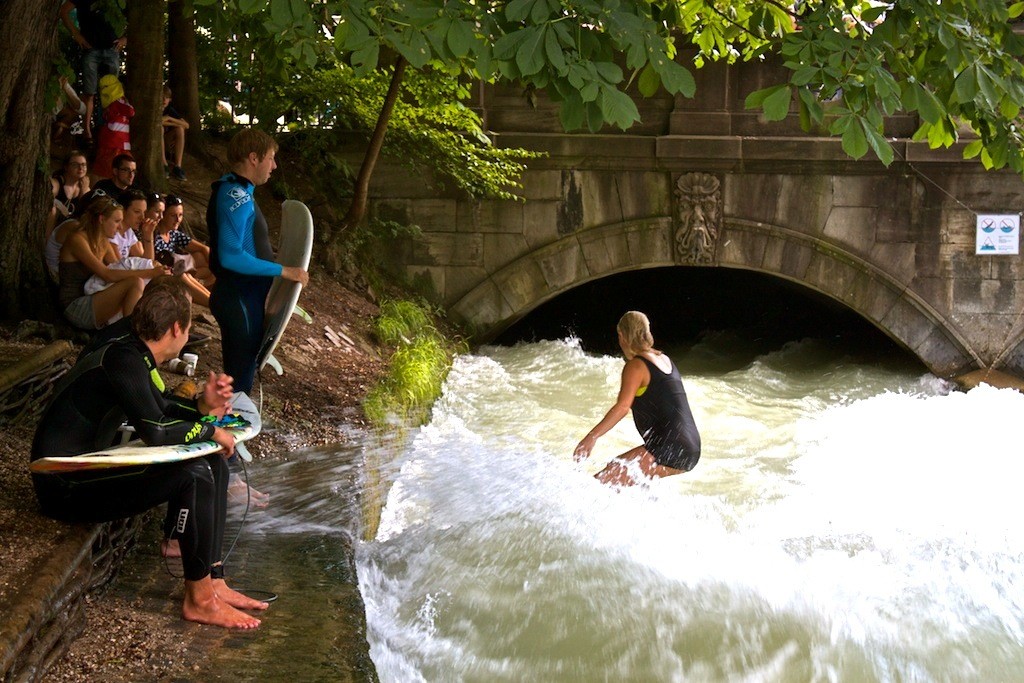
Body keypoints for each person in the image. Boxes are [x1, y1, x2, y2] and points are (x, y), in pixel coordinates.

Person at [31, 277, 267, 629]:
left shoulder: (134, 352)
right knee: (193, 475)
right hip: (63, 485)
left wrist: (203, 407)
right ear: (176, 328)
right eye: (188, 329)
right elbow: (154, 429)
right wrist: (210, 429)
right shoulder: (122, 357)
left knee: (211, 462)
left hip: (85, 470)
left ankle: (214, 581)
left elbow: (160, 407)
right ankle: (200, 600)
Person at [207, 128, 308, 394]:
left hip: (243, 297)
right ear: (254, 158)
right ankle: (229, 431)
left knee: (237, 378)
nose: (274, 166)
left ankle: (227, 429)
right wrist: (283, 271)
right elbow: (231, 256)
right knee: (239, 382)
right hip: (238, 297)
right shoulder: (236, 197)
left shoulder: (238, 191)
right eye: (271, 158)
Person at [573, 311, 701, 487]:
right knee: (619, 477)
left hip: (670, 446)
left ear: (623, 336)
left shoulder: (636, 366)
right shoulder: (664, 359)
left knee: (597, 486)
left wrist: (592, 437)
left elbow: (622, 407)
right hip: (690, 447)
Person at [57, 196, 167, 330]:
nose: (120, 226)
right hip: (76, 307)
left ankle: (153, 327)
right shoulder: (78, 240)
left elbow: (121, 271)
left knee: (143, 282)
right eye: (116, 221)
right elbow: (107, 275)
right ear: (102, 219)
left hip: (94, 298)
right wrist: (150, 272)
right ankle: (129, 335)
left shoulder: (103, 241)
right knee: (135, 282)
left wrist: (154, 270)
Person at [59, 0, 126, 145]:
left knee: (111, 93)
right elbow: (63, 11)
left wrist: (125, 38)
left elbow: (134, 16)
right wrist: (75, 34)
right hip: (90, 48)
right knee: (90, 92)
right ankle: (87, 130)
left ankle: (107, 129)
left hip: (111, 48)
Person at [92, 74, 134, 179]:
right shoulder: (118, 102)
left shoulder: (108, 106)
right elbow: (131, 111)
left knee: (110, 169)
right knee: (118, 169)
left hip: (112, 141)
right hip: (117, 143)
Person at [47, 151, 91, 240]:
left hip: (71, 235)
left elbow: (86, 214)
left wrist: (83, 192)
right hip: (54, 232)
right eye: (75, 165)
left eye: (84, 165)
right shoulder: (57, 183)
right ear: (66, 167)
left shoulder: (85, 188)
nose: (80, 168)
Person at [162, 85, 189, 180]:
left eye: (167, 97)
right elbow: (158, 122)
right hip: (157, 139)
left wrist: (169, 119)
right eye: (162, 97)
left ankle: (177, 166)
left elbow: (186, 125)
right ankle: (164, 165)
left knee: (180, 129)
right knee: (160, 129)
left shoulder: (169, 110)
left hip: (167, 140)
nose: (164, 100)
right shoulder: (154, 109)